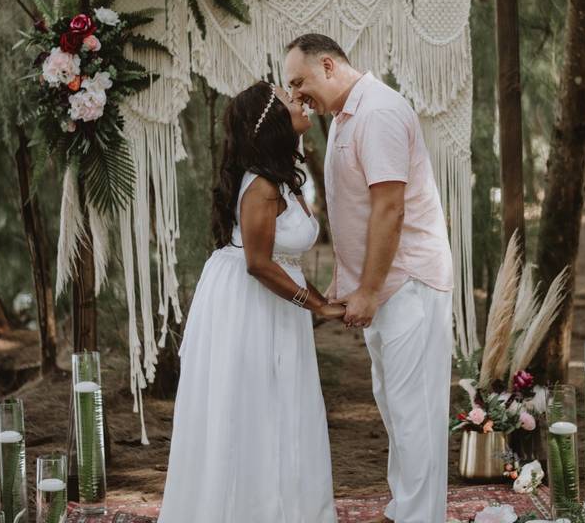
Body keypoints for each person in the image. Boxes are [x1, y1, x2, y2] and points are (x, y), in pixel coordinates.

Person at [285, 34, 454, 523]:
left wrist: (369, 290)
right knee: (396, 405)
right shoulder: (344, 117)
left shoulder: (377, 112)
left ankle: (420, 516)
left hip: (409, 284)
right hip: (387, 288)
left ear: (330, 65)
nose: (297, 95)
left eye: (301, 81)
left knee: (414, 410)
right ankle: (407, 507)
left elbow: (389, 207)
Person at [157, 81, 343, 523]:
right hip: (249, 301)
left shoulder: (281, 176)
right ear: (272, 121)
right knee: (252, 410)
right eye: (288, 99)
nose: (298, 101)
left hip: (274, 300)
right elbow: (259, 263)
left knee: (281, 406)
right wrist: (317, 305)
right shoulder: (260, 185)